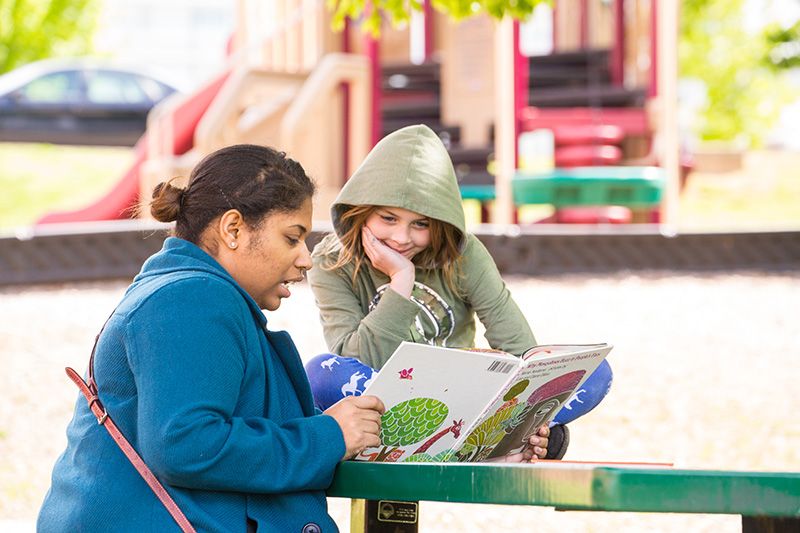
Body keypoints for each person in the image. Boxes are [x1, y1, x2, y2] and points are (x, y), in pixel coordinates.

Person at [38, 144, 385, 532]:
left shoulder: (187, 294)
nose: (305, 258)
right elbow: (186, 444)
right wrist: (327, 435)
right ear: (233, 229)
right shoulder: (191, 299)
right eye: (292, 237)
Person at [304, 125, 613, 461]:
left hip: (466, 398)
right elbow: (358, 358)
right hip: (388, 403)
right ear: (360, 210)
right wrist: (401, 279)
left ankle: (501, 435)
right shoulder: (332, 261)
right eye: (388, 218)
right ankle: (516, 441)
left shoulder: (464, 254)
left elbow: (520, 346)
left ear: (439, 222)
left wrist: (524, 385)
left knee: (597, 371)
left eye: (420, 224)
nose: (401, 237)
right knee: (322, 373)